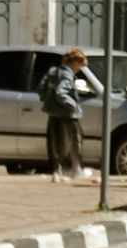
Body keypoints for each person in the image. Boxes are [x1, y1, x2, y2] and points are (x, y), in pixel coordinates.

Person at [37, 46, 93, 175]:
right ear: (74, 62)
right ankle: (75, 169)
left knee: (55, 144)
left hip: (53, 113)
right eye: (80, 65)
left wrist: (49, 101)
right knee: (73, 142)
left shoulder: (53, 71)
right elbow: (60, 92)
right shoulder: (68, 74)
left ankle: (58, 170)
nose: (79, 69)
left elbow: (41, 89)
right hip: (68, 115)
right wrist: (72, 104)